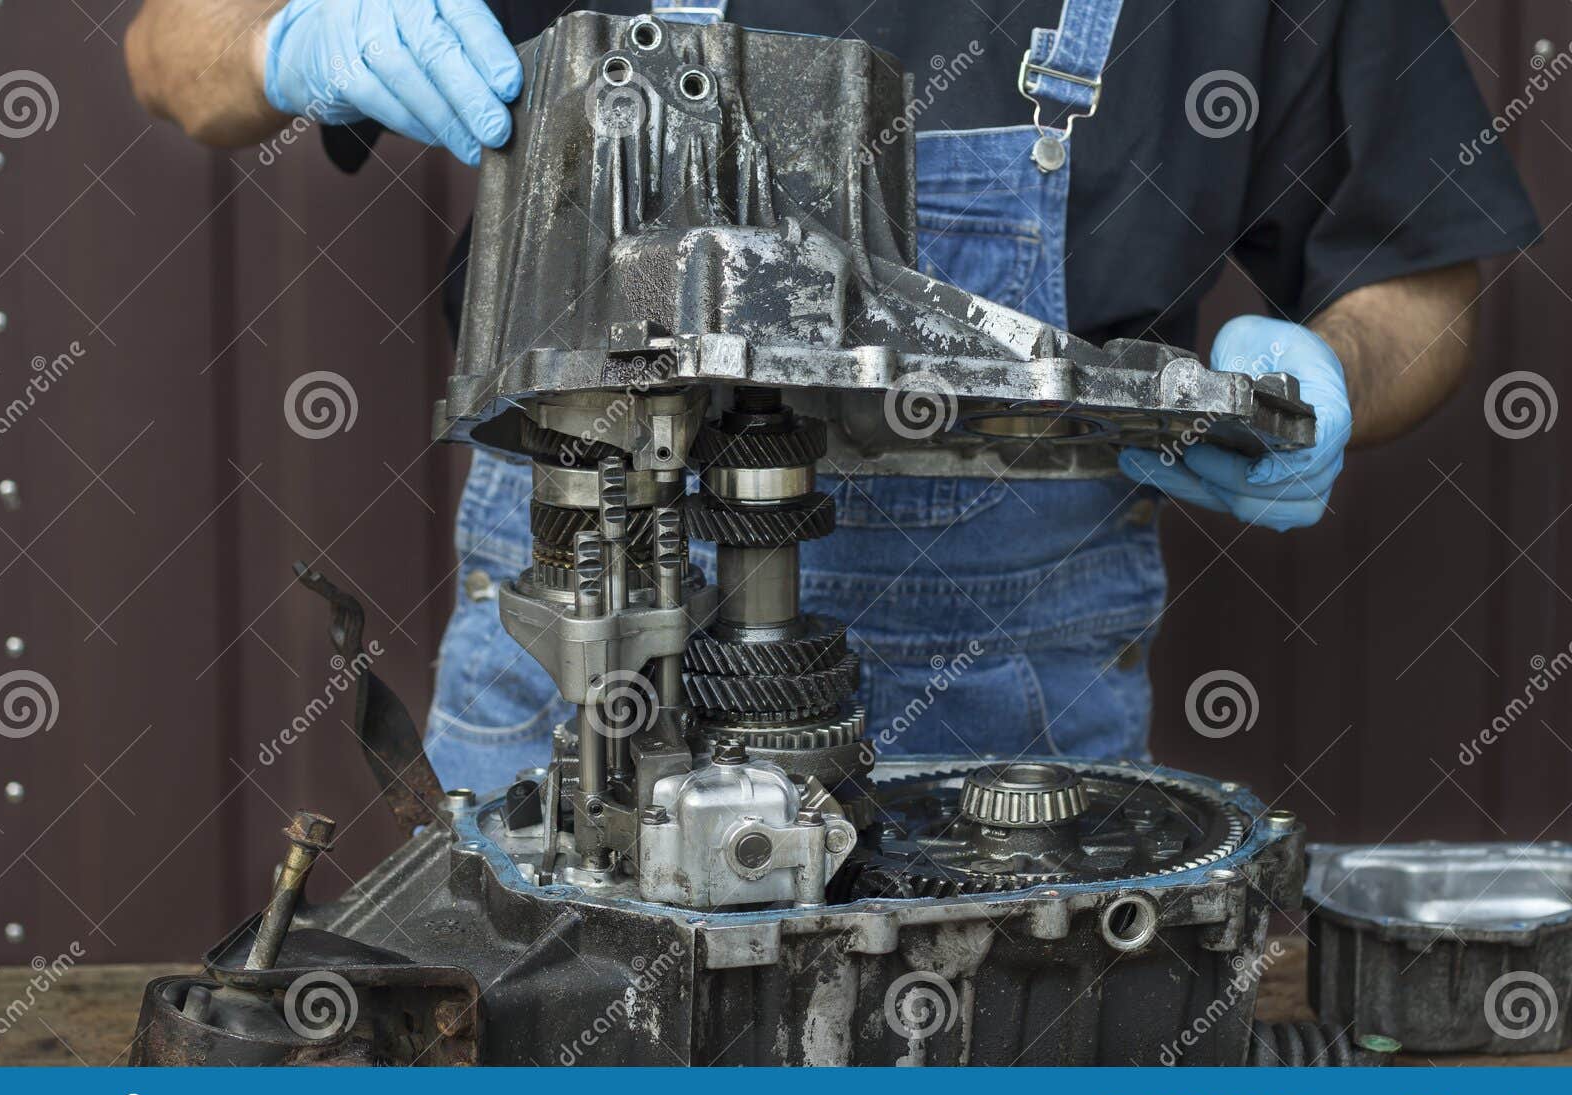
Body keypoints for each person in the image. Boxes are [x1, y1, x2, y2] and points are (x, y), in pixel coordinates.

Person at [125, 1, 1538, 792]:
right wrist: (291, 42)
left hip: (1008, 719)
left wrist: (1329, 376)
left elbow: (1417, 276)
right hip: (583, 654)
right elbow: (173, 54)